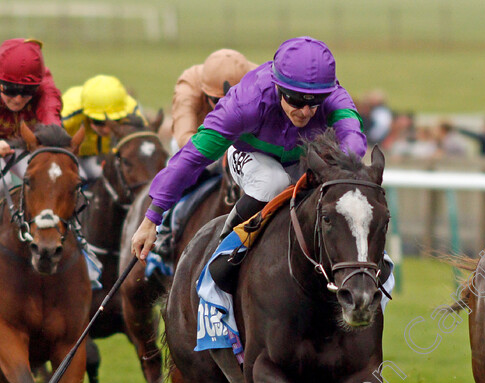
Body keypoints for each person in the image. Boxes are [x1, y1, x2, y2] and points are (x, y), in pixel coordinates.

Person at [131, 36, 367, 266]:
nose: (305, 112)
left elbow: (353, 143)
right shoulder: (246, 103)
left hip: (303, 156)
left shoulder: (334, 96)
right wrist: (152, 218)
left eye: (315, 102)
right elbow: (191, 156)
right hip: (250, 154)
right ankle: (221, 253)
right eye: (295, 100)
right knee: (272, 180)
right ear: (278, 86)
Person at [61, 75, 145, 180]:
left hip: (108, 156)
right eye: (99, 122)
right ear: (85, 112)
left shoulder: (132, 111)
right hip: (75, 156)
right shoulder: (67, 114)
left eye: (116, 121)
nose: (107, 129)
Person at [0, 38, 62, 181]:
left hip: (18, 146)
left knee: (42, 178)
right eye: (10, 89)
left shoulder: (45, 86)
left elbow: (50, 117)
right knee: (3, 184)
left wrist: (52, 138)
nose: (18, 99)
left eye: (28, 90)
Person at [171, 49, 257, 151]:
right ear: (205, 93)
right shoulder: (189, 88)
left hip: (243, 139)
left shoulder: (259, 79)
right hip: (202, 138)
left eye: (235, 100)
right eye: (217, 100)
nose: (226, 107)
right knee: (177, 148)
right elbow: (184, 137)